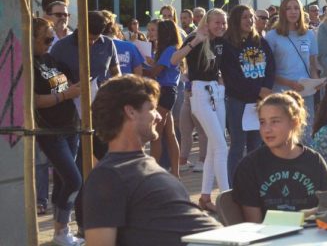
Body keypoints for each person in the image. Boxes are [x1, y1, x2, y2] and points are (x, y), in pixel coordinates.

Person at [82, 75, 221, 245]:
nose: (158, 117)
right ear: (130, 112)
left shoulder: (144, 165)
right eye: (152, 108)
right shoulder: (106, 177)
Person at [233, 91, 327, 221]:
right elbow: (255, 226)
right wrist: (305, 216)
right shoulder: (249, 166)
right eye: (262, 122)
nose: (267, 129)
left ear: (295, 122)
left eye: (275, 121)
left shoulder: (314, 161)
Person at [170, 9, 229, 212]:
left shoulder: (221, 40)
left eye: (224, 23)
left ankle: (205, 197)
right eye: (217, 23)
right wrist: (194, 42)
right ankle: (226, 196)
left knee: (215, 147)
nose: (221, 26)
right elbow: (174, 59)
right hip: (200, 92)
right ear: (207, 22)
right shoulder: (196, 37)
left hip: (216, 92)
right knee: (221, 146)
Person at [32, 17, 83, 246]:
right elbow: (34, 101)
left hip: (71, 124)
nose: (50, 42)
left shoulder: (50, 58)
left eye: (52, 38)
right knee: (74, 180)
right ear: (31, 38)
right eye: (46, 38)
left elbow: (68, 81)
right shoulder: (29, 63)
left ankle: (60, 232)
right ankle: (62, 229)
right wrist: (65, 95)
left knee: (64, 181)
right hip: (51, 130)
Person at [221, 4, 276, 182]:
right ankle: (234, 186)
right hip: (239, 102)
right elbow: (232, 77)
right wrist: (257, 89)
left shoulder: (261, 42)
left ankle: (254, 183)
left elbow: (271, 67)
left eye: (251, 16)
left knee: (256, 144)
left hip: (259, 101)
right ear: (236, 20)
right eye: (245, 17)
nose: (249, 20)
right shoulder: (228, 44)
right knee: (238, 145)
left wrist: (266, 88)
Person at [269, 0, 319, 141]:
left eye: (296, 8)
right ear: (282, 12)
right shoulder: (272, 36)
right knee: (284, 133)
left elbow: (313, 64)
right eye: (289, 8)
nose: (293, 12)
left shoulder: (309, 34)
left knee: (306, 131)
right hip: (282, 92)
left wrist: (316, 82)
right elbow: (269, 71)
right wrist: (289, 84)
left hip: (305, 92)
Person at [143, 20, 183, 176]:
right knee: (169, 133)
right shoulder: (170, 49)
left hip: (164, 91)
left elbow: (155, 73)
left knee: (156, 135)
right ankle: (175, 174)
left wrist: (138, 69)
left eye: (155, 30)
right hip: (168, 91)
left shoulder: (169, 49)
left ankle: (154, 173)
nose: (152, 33)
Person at [100, 11, 143, 77]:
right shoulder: (130, 46)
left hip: (103, 85)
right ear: (114, 26)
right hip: (127, 85)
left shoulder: (95, 46)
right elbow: (138, 73)